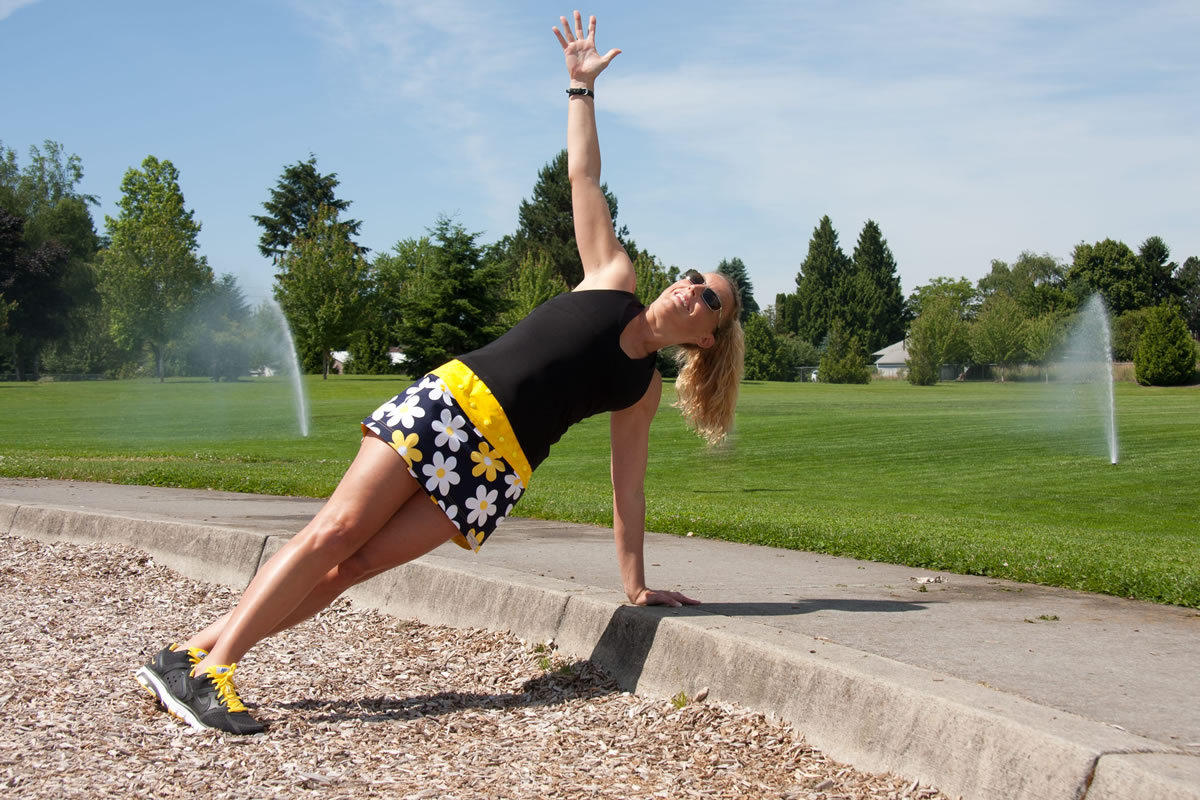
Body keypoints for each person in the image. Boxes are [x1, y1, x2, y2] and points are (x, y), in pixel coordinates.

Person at [135, 10, 745, 735]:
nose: (689, 287)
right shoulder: (611, 276)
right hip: (449, 406)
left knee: (351, 568)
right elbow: (584, 175)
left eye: (709, 296)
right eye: (690, 276)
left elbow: (628, 489)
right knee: (333, 532)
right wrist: (580, 90)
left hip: (496, 471)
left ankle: (187, 654)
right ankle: (214, 673)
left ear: (707, 337)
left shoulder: (640, 390)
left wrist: (636, 585)